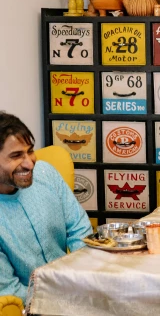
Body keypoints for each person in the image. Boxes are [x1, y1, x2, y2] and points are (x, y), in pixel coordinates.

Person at [0, 112, 92, 304]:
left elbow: (79, 229)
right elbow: (9, 289)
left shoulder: (46, 172)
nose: (29, 163)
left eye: (30, 151)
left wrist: (84, 279)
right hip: (35, 304)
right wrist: (62, 300)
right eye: (16, 156)